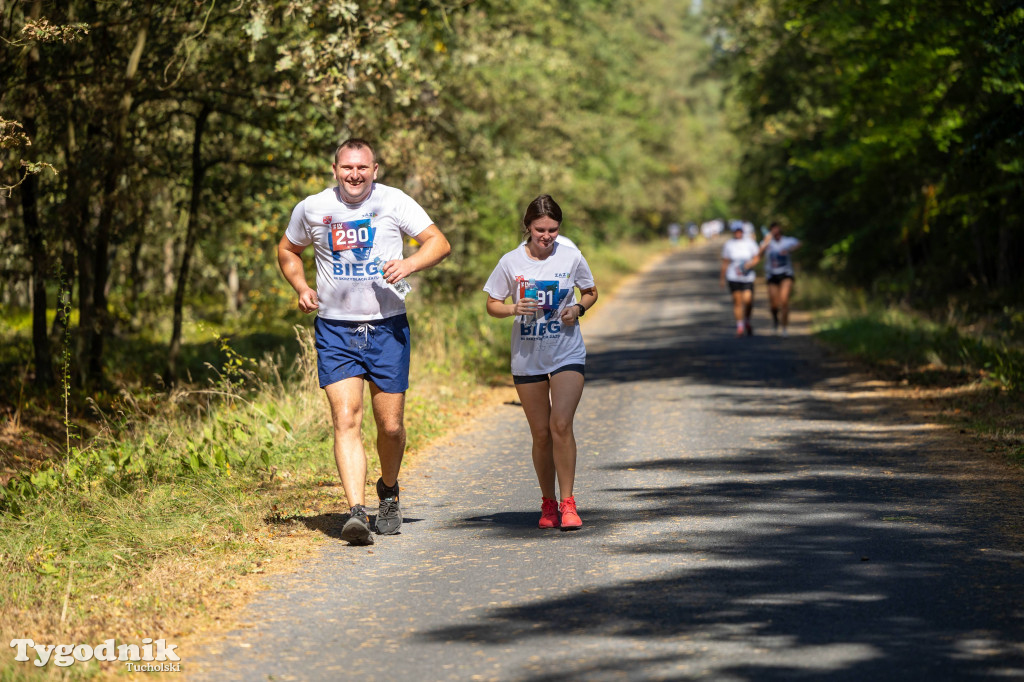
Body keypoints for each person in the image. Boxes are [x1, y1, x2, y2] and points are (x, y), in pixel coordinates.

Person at [277, 138, 451, 545]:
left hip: (387, 327)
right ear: (335, 169)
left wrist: (409, 263)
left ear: (375, 169)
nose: (354, 174)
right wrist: (300, 286)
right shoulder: (313, 208)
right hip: (336, 329)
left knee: (389, 427)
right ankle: (356, 512)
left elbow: (439, 243)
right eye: (346, 167)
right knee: (347, 418)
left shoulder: (394, 202)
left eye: (362, 168)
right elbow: (288, 250)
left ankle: (388, 490)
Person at [483, 195, 598, 531]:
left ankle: (568, 502)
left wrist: (578, 308)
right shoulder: (510, 262)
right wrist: (512, 309)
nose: (547, 236)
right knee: (540, 434)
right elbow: (492, 303)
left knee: (560, 425)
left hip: (566, 351)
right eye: (540, 230)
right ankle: (547, 502)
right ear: (527, 227)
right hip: (527, 357)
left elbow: (590, 291)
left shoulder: (571, 254)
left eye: (553, 229)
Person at [758, 221, 801, 336]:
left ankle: (784, 327)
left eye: (777, 229)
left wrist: (789, 250)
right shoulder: (767, 243)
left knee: (784, 300)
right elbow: (759, 254)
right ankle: (775, 321)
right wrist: (766, 243)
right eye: (773, 230)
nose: (776, 232)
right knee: (774, 304)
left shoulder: (787, 241)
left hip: (786, 274)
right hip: (772, 275)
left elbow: (799, 243)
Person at [720, 222, 760, 337]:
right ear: (733, 232)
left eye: (739, 230)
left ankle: (747, 320)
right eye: (736, 231)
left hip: (748, 277)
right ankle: (740, 326)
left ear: (742, 231)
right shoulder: (729, 245)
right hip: (733, 277)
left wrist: (750, 264)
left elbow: (757, 257)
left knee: (748, 301)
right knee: (737, 302)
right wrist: (722, 278)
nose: (738, 233)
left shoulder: (750, 243)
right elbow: (725, 262)